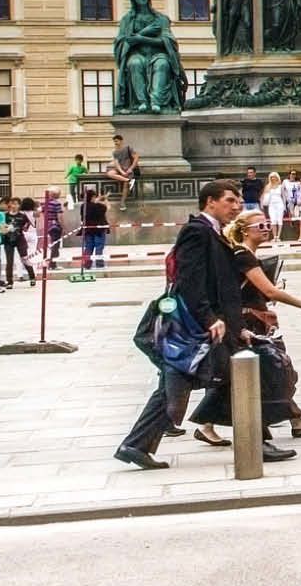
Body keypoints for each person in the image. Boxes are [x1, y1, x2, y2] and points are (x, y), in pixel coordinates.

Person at [116, 180, 284, 470]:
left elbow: (221, 284)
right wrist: (211, 319)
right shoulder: (196, 232)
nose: (236, 206)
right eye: (230, 201)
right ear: (210, 202)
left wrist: (236, 325)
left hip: (216, 325)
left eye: (238, 201)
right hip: (201, 328)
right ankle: (256, 443)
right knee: (222, 381)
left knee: (200, 384)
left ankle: (136, 444)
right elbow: (190, 281)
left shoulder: (213, 233)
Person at [190, 211, 301, 445]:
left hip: (249, 321)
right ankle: (292, 421)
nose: (266, 228)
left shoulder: (246, 254)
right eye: (260, 225)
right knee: (273, 369)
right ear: (245, 230)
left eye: (267, 224)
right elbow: (270, 291)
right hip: (246, 324)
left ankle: (211, 425)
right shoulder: (244, 255)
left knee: (250, 374)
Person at [5, 197, 39, 287]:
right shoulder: (5, 215)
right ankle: (9, 282)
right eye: (12, 204)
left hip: (20, 239)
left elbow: (27, 226)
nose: (14, 206)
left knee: (24, 258)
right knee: (9, 261)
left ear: (19, 205)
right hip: (8, 240)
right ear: (9, 205)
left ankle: (32, 277)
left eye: (16, 204)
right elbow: (1, 227)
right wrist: (6, 229)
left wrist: (18, 228)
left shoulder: (22, 216)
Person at [79, 185, 111, 270]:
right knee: (99, 246)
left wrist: (98, 200)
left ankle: (86, 264)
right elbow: (108, 207)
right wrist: (105, 199)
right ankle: (99, 264)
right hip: (99, 230)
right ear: (92, 197)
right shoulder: (98, 206)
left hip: (88, 229)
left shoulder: (83, 206)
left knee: (88, 246)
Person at [106, 134, 139, 207]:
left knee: (125, 187)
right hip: (121, 170)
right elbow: (117, 163)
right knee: (110, 173)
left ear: (121, 141)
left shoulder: (128, 148)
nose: (115, 143)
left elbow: (136, 158)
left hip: (129, 170)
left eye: (116, 141)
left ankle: (122, 202)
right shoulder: (115, 152)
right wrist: (121, 172)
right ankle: (126, 180)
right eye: (114, 141)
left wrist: (130, 169)